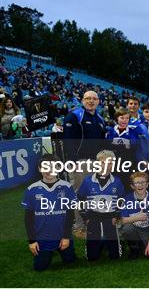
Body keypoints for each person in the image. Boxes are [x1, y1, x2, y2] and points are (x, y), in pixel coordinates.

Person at [21, 154, 77, 271]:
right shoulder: (32, 189)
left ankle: (64, 247)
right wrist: (32, 241)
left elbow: (70, 215)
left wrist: (66, 237)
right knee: (40, 267)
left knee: (70, 261)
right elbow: (28, 219)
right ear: (39, 169)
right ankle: (47, 251)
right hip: (43, 238)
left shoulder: (66, 187)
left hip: (62, 236)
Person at [62, 90, 106, 236]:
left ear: (99, 101)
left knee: (93, 193)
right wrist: (72, 159)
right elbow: (67, 138)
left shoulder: (100, 119)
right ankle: (79, 226)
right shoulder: (75, 115)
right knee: (79, 194)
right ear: (82, 101)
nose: (91, 101)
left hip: (96, 162)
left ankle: (91, 223)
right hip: (80, 162)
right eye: (87, 98)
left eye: (94, 98)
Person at [77, 150, 125, 261]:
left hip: (110, 216)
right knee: (92, 257)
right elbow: (80, 200)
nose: (106, 166)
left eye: (110, 163)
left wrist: (116, 216)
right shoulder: (88, 181)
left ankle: (113, 244)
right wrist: (86, 217)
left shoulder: (117, 181)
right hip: (93, 217)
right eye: (103, 163)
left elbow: (121, 200)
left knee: (115, 256)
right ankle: (96, 245)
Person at [119, 172, 149, 260]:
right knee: (127, 229)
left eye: (143, 182)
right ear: (132, 186)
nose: (140, 185)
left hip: (147, 229)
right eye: (137, 183)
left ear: (147, 184)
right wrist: (137, 217)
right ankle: (134, 248)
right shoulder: (127, 199)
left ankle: (144, 244)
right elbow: (122, 220)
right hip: (133, 228)